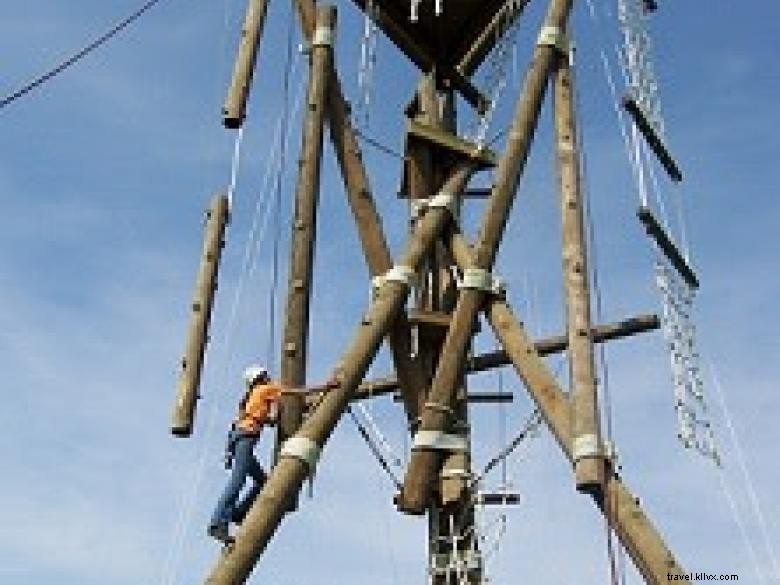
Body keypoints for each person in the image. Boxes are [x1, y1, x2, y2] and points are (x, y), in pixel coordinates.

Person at [208, 365, 282, 545]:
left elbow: (266, 420)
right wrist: (326, 386)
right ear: (260, 378)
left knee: (262, 482)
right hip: (245, 439)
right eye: (265, 375)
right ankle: (218, 523)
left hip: (238, 439)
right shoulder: (265, 389)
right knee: (237, 480)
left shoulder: (250, 397)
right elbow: (295, 391)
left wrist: (228, 452)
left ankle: (239, 513)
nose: (269, 377)